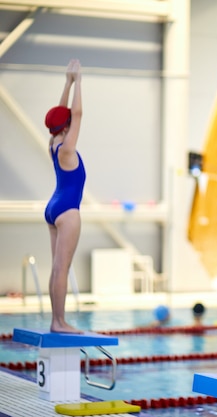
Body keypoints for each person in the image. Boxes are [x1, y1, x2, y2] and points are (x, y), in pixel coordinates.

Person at [44, 59, 85, 334]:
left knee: (57, 267)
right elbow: (77, 114)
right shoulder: (67, 149)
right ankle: (59, 322)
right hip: (68, 211)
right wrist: (79, 82)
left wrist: (67, 83)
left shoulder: (54, 142)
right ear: (67, 125)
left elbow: (64, 114)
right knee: (63, 268)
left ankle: (56, 320)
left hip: (53, 206)